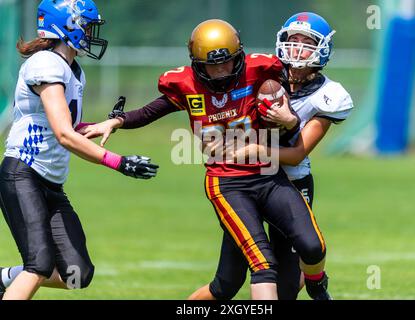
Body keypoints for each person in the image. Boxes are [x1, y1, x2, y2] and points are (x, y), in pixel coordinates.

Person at [81, 18, 330, 300]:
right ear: (198, 63)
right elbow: (152, 110)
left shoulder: (259, 72)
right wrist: (117, 121)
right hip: (227, 184)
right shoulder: (187, 85)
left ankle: (318, 286)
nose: (222, 70)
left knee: (311, 246)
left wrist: (289, 119)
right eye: (213, 64)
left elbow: (299, 80)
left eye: (227, 62)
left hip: (269, 176)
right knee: (263, 264)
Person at [188, 12, 353, 300]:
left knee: (287, 286)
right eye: (293, 40)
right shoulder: (258, 74)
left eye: (306, 41)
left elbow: (298, 152)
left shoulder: (329, 95)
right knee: (226, 283)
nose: (297, 47)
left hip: (289, 184)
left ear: (322, 48)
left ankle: (315, 280)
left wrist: (264, 144)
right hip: (245, 184)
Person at [0, 0, 158, 300]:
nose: (90, 32)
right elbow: (63, 134)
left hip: (50, 183)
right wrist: (119, 162)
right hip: (24, 174)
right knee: (39, 265)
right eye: (86, 26)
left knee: (77, 274)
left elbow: (66, 124)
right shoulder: (45, 63)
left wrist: (100, 124)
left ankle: (4, 279)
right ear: (68, 25)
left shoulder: (73, 70)